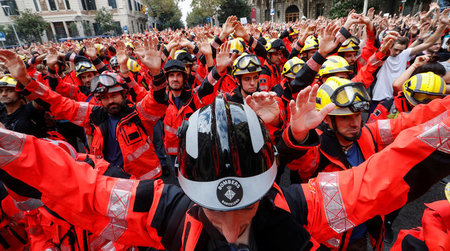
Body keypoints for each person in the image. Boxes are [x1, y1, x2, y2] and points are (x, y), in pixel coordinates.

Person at [0, 87, 448, 251]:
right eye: (215, 211)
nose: (231, 228)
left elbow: (384, 175)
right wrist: (9, 148)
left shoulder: (303, 208)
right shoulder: (162, 214)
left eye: (247, 207)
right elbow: (82, 186)